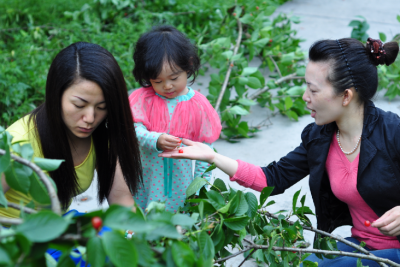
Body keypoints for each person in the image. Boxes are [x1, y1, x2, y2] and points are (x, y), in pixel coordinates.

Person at [159, 37, 400, 266]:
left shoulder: (393, 132)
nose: (305, 97)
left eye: (313, 91)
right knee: (310, 265)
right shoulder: (318, 138)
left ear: (346, 96)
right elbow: (272, 178)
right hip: (363, 246)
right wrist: (213, 156)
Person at [0, 42, 143, 219]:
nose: (90, 118)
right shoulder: (18, 143)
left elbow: (122, 201)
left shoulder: (99, 137)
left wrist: (137, 236)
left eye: (102, 107)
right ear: (56, 95)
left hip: (53, 229)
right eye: (79, 105)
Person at [129, 25, 221, 212]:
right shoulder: (143, 99)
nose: (167, 86)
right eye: (158, 81)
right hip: (146, 177)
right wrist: (155, 139)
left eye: (174, 77)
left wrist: (200, 186)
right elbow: (133, 130)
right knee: (141, 216)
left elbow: (205, 149)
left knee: (177, 219)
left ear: (188, 65)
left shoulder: (198, 105)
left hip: (180, 182)